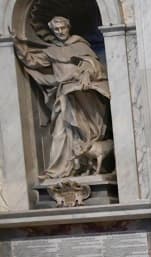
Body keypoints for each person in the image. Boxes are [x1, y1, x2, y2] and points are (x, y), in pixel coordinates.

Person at [14, 16, 112, 180]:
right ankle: (59, 171)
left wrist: (87, 74)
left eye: (62, 28)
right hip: (64, 94)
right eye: (56, 29)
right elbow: (32, 61)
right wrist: (17, 44)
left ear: (68, 27)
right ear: (52, 31)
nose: (60, 32)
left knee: (86, 132)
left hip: (83, 93)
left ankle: (88, 166)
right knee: (60, 131)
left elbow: (93, 64)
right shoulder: (52, 51)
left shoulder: (80, 46)